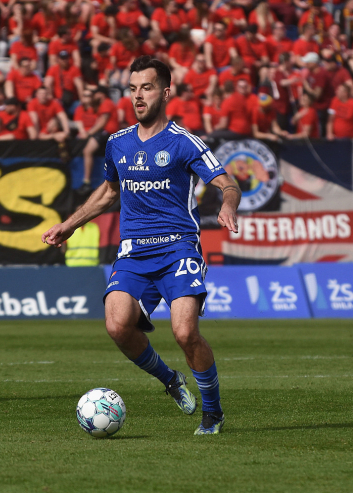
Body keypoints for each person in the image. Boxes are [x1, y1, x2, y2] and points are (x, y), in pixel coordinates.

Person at [41, 57, 240, 435]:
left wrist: (228, 205)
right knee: (117, 325)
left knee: (185, 333)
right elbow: (108, 193)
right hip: (134, 251)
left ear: (166, 92)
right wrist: (68, 224)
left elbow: (228, 183)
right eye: (132, 89)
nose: (137, 96)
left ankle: (212, 412)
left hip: (178, 248)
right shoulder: (117, 142)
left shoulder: (183, 141)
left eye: (146, 88)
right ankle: (170, 380)